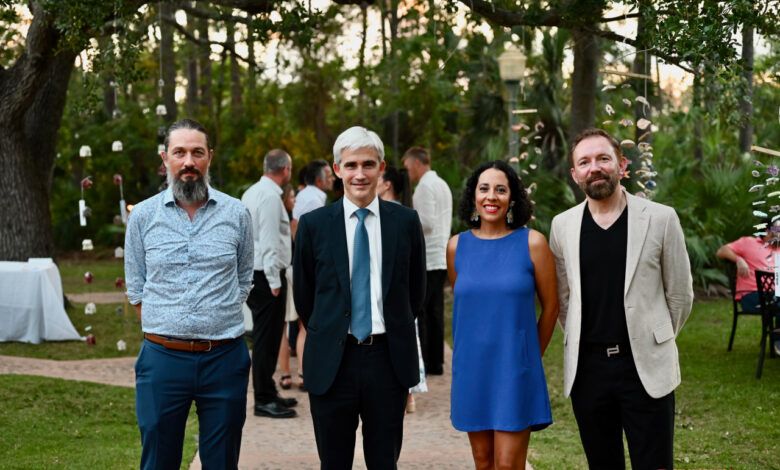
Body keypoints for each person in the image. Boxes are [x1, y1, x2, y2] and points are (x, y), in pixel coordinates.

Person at [549, 128, 694, 469]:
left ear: (622, 165)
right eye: (584, 162)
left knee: (654, 463)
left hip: (644, 365)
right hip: (588, 370)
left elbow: (680, 294)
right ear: (575, 174)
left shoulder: (660, 218)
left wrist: (655, 337)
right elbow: (564, 299)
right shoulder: (562, 226)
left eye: (603, 158)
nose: (594, 168)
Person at [293, 126, 427, 469]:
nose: (360, 173)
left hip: (387, 360)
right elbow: (305, 297)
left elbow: (415, 292)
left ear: (381, 168)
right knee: (333, 463)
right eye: (351, 165)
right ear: (337, 170)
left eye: (368, 164)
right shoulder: (314, 225)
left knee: (384, 462)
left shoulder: (406, 222)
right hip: (332, 363)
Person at [125, 118, 254, 469]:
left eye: (197, 153)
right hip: (162, 360)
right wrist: (167, 329)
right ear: (165, 158)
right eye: (179, 152)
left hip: (225, 360)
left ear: (209, 157)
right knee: (158, 461)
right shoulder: (143, 217)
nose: (188, 162)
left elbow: (243, 279)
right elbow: (136, 287)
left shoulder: (237, 213)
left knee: (222, 461)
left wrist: (215, 317)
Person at [446, 160, 557, 469]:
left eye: (500, 190)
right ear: (473, 197)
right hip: (472, 371)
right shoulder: (457, 247)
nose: (491, 197)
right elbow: (467, 303)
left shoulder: (533, 243)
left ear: (512, 199)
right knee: (483, 461)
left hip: (514, 371)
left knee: (507, 465)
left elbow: (552, 307)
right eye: (484, 189)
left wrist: (529, 357)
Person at [241, 149, 298, 419]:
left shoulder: (252, 192)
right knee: (267, 339)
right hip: (266, 277)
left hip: (258, 274)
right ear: (285, 169)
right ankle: (263, 399)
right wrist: (275, 280)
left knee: (269, 337)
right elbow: (269, 241)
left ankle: (269, 390)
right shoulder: (270, 197)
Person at [378, 165, 426, 414]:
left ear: (387, 184)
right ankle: (409, 394)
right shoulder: (405, 213)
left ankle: (406, 394)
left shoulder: (398, 216)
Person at [403, 146, 452, 375]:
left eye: (407, 166)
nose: (407, 172)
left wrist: (406, 226)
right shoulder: (441, 183)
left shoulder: (424, 186)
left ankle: (424, 360)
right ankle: (436, 362)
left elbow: (426, 222)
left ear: (415, 164)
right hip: (441, 253)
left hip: (429, 255)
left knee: (422, 310)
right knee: (434, 311)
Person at [717, 218, 780, 355]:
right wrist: (739, 260)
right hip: (752, 296)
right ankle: (778, 342)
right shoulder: (748, 242)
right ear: (767, 231)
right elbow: (722, 251)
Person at [277, 184, 305, 391]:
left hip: (281, 273)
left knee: (282, 328)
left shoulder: (275, 222)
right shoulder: (293, 223)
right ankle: (303, 374)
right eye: (293, 196)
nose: (295, 200)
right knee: (303, 326)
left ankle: (285, 375)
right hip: (294, 273)